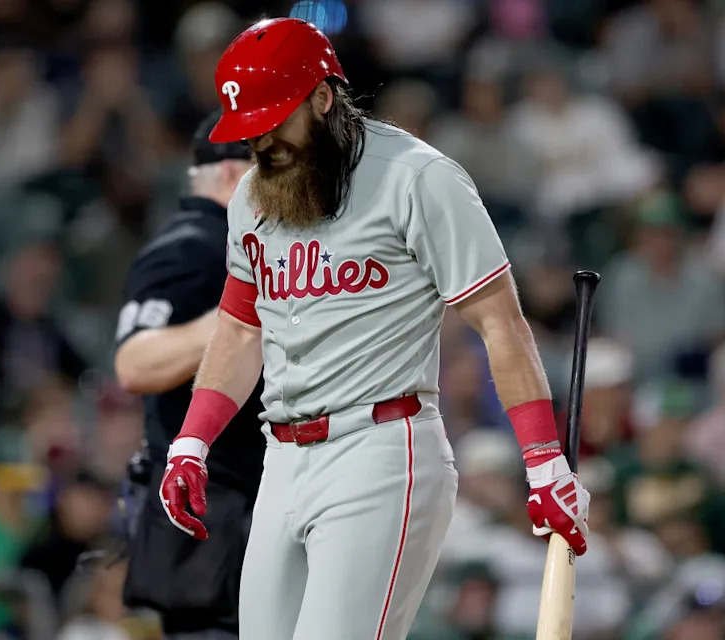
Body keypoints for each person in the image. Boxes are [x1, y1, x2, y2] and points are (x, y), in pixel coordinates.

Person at [158, 18, 591, 640]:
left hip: (382, 449)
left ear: (324, 97)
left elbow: (500, 323)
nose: (263, 140)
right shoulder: (254, 197)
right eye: (250, 128)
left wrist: (544, 463)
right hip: (280, 456)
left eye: (275, 119)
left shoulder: (418, 177)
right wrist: (192, 442)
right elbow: (240, 329)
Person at [114, 111, 264, 639]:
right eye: (270, 164)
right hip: (210, 514)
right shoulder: (193, 247)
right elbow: (135, 362)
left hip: (234, 510)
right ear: (230, 174)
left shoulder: (236, 246)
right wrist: (239, 315)